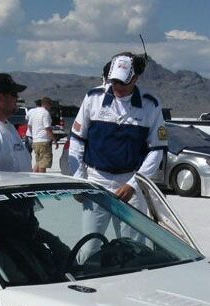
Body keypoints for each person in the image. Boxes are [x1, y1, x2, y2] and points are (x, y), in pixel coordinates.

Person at [67, 52, 168, 257]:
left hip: (131, 183)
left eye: (123, 83)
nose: (118, 87)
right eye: (114, 82)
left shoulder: (151, 105)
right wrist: (78, 180)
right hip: (96, 181)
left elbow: (157, 150)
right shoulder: (93, 98)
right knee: (89, 247)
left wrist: (133, 184)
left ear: (135, 78)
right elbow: (77, 141)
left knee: (132, 247)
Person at [26, 97, 55, 172]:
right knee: (43, 163)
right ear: (47, 104)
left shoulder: (33, 112)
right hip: (44, 141)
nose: (50, 108)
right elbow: (47, 128)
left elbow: (29, 125)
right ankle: (42, 180)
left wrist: (34, 134)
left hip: (35, 141)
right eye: (50, 105)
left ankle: (34, 178)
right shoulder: (45, 113)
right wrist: (54, 139)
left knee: (39, 161)